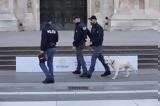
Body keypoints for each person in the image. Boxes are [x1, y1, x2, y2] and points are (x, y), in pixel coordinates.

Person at [39, 17, 58, 84]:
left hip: (47, 49)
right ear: (51, 22)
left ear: (45, 23)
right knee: (50, 63)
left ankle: (48, 76)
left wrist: (42, 49)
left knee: (41, 63)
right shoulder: (55, 29)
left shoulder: (44, 29)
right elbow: (57, 40)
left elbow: (43, 40)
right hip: (53, 48)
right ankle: (51, 77)